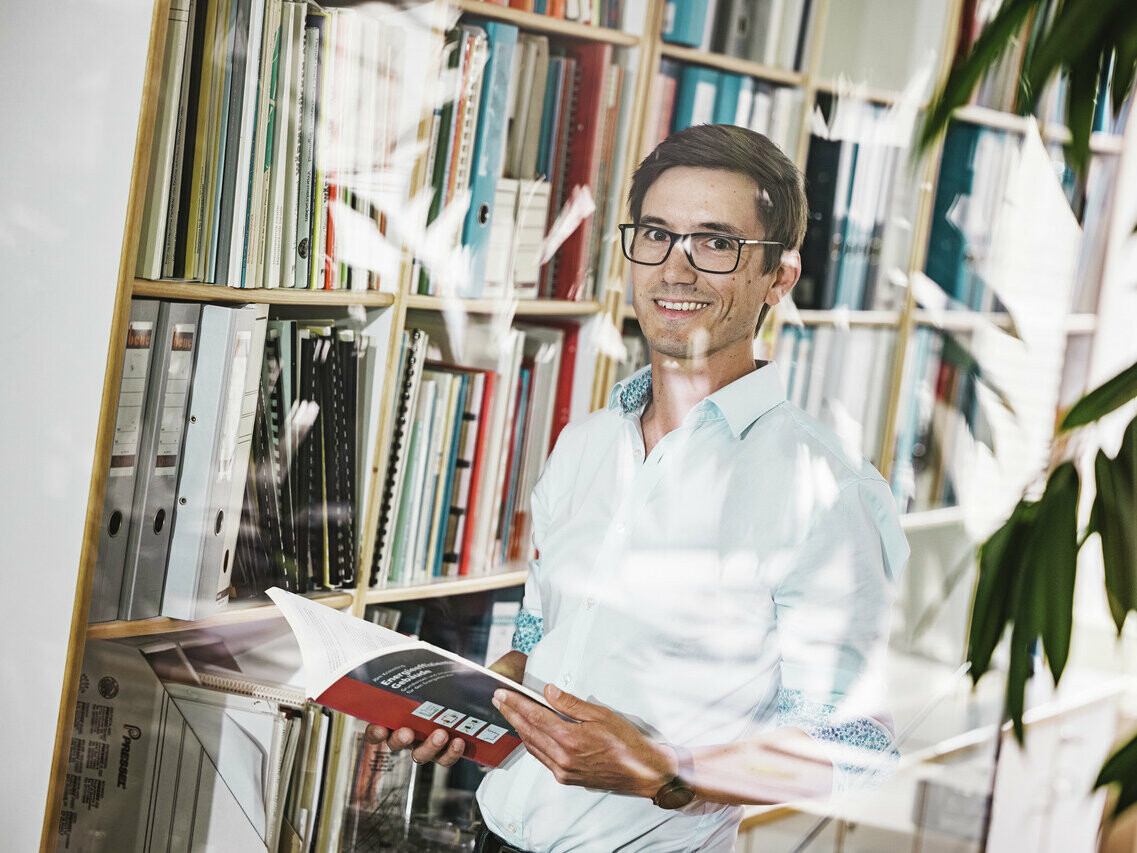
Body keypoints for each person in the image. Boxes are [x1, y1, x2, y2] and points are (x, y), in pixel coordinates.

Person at [366, 124, 909, 852]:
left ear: (777, 277)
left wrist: (665, 772)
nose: (674, 270)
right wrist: (459, 707)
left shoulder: (825, 492)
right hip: (492, 834)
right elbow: (537, 649)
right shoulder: (583, 445)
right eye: (655, 234)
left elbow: (855, 745)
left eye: (715, 243)